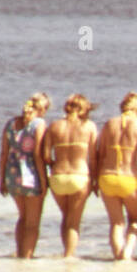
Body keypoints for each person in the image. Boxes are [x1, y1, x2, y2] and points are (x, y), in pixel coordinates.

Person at [92, 92, 137, 260]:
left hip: (107, 178)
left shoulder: (109, 124)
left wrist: (95, 180)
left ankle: (118, 257)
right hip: (129, 179)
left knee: (116, 223)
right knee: (135, 221)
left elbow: (99, 154)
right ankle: (127, 253)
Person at [38, 93, 98, 258]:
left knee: (65, 218)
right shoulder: (89, 127)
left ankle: (65, 253)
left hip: (58, 177)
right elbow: (93, 158)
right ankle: (69, 257)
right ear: (83, 109)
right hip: (79, 176)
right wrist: (95, 181)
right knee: (73, 223)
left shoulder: (54, 126)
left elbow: (46, 156)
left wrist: (54, 165)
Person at [0, 92, 51, 258]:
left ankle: (20, 254)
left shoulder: (11, 124)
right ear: (42, 109)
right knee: (33, 223)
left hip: (12, 176)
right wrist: (44, 181)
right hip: (31, 177)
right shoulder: (39, 124)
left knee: (22, 218)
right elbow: (37, 155)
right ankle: (27, 257)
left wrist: (2, 180)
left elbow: (4, 154)